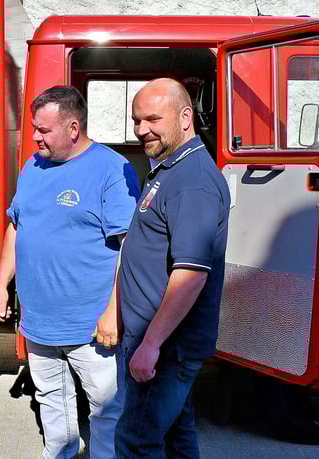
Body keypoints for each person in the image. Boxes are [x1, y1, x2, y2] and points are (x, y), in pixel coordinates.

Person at [0, 85, 140, 459]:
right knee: (51, 400)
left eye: (44, 130)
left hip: (90, 326)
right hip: (39, 321)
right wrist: (0, 286)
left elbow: (129, 247)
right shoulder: (32, 167)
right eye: (34, 128)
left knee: (106, 410)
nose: (36, 137)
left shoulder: (110, 169)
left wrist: (113, 312)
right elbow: (16, 225)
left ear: (73, 128)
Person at [114, 78, 230, 458]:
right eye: (136, 120)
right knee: (177, 438)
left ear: (184, 117)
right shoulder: (171, 168)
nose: (141, 129)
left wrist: (151, 345)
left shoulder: (193, 181)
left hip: (167, 348)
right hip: (160, 343)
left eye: (152, 119)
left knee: (136, 442)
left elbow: (192, 273)